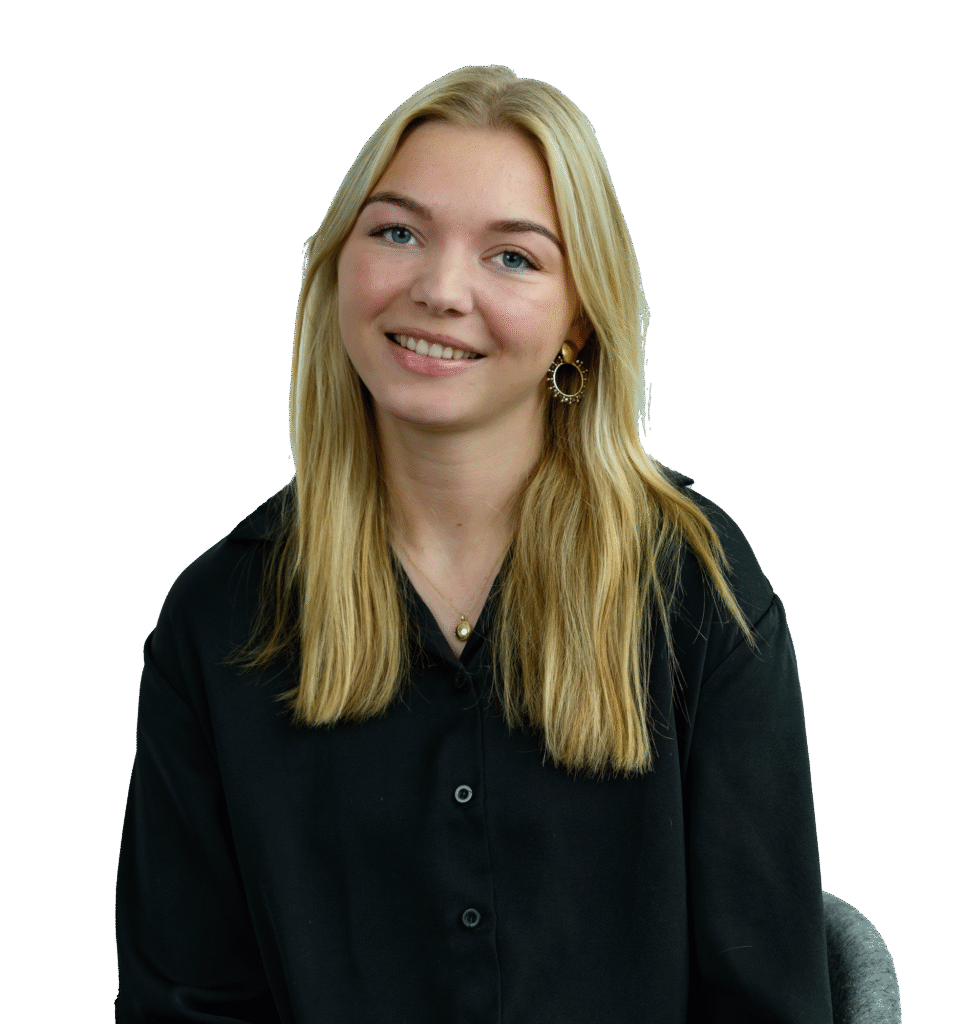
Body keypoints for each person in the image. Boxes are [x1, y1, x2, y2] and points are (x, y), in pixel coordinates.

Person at [115, 66, 833, 1023]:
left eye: (513, 257)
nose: (439, 290)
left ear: (579, 323)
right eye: (397, 233)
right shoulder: (218, 620)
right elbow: (185, 1005)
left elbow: (769, 1002)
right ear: (338, 268)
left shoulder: (696, 589)